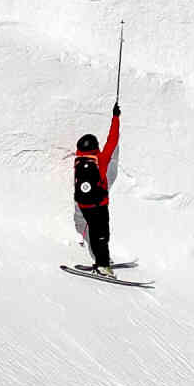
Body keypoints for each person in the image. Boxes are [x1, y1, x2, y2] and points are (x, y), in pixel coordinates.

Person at [74, 102, 120, 277]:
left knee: (94, 231)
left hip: (83, 205)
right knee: (102, 234)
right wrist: (116, 117)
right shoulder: (100, 159)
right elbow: (112, 140)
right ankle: (102, 265)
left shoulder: (79, 159)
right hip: (99, 204)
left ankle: (101, 259)